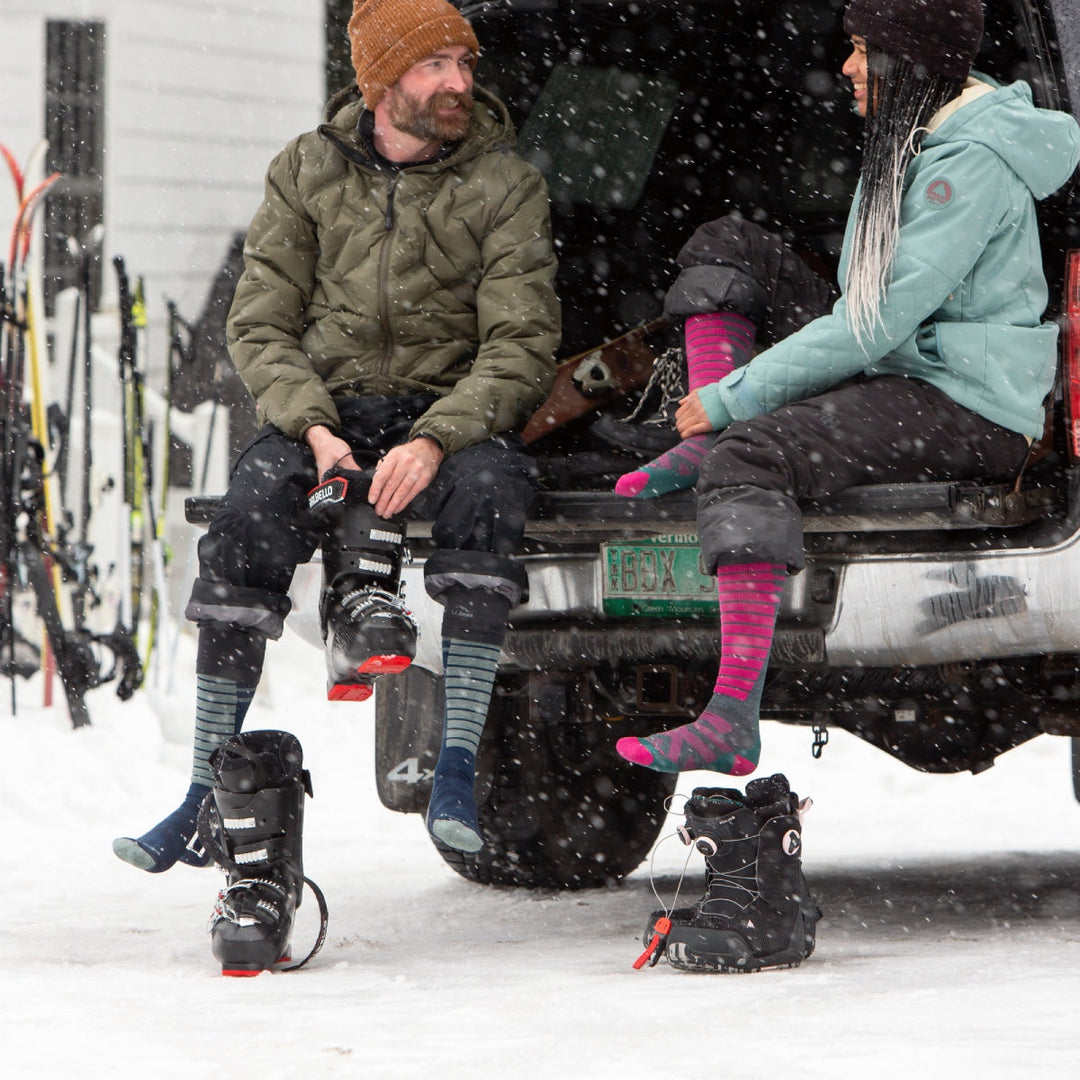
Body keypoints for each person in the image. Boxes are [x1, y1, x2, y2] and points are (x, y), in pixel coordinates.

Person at [114, 0, 560, 875]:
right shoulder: (305, 171)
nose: (459, 84)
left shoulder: (505, 185)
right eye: (435, 66)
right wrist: (316, 428)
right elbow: (259, 324)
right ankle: (207, 790)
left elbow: (522, 342)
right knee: (247, 516)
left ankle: (458, 767)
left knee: (491, 493)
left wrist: (434, 440)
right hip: (331, 415)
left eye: (464, 65)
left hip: (449, 416)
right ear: (382, 77)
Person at [614, 0, 1080, 777]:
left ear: (910, 61)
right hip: (908, 365)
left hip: (969, 403)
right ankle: (705, 445)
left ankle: (730, 718)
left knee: (755, 452)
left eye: (862, 50)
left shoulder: (968, 164)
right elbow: (865, 312)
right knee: (731, 244)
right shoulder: (915, 135)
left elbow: (872, 323)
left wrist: (736, 398)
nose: (847, 69)